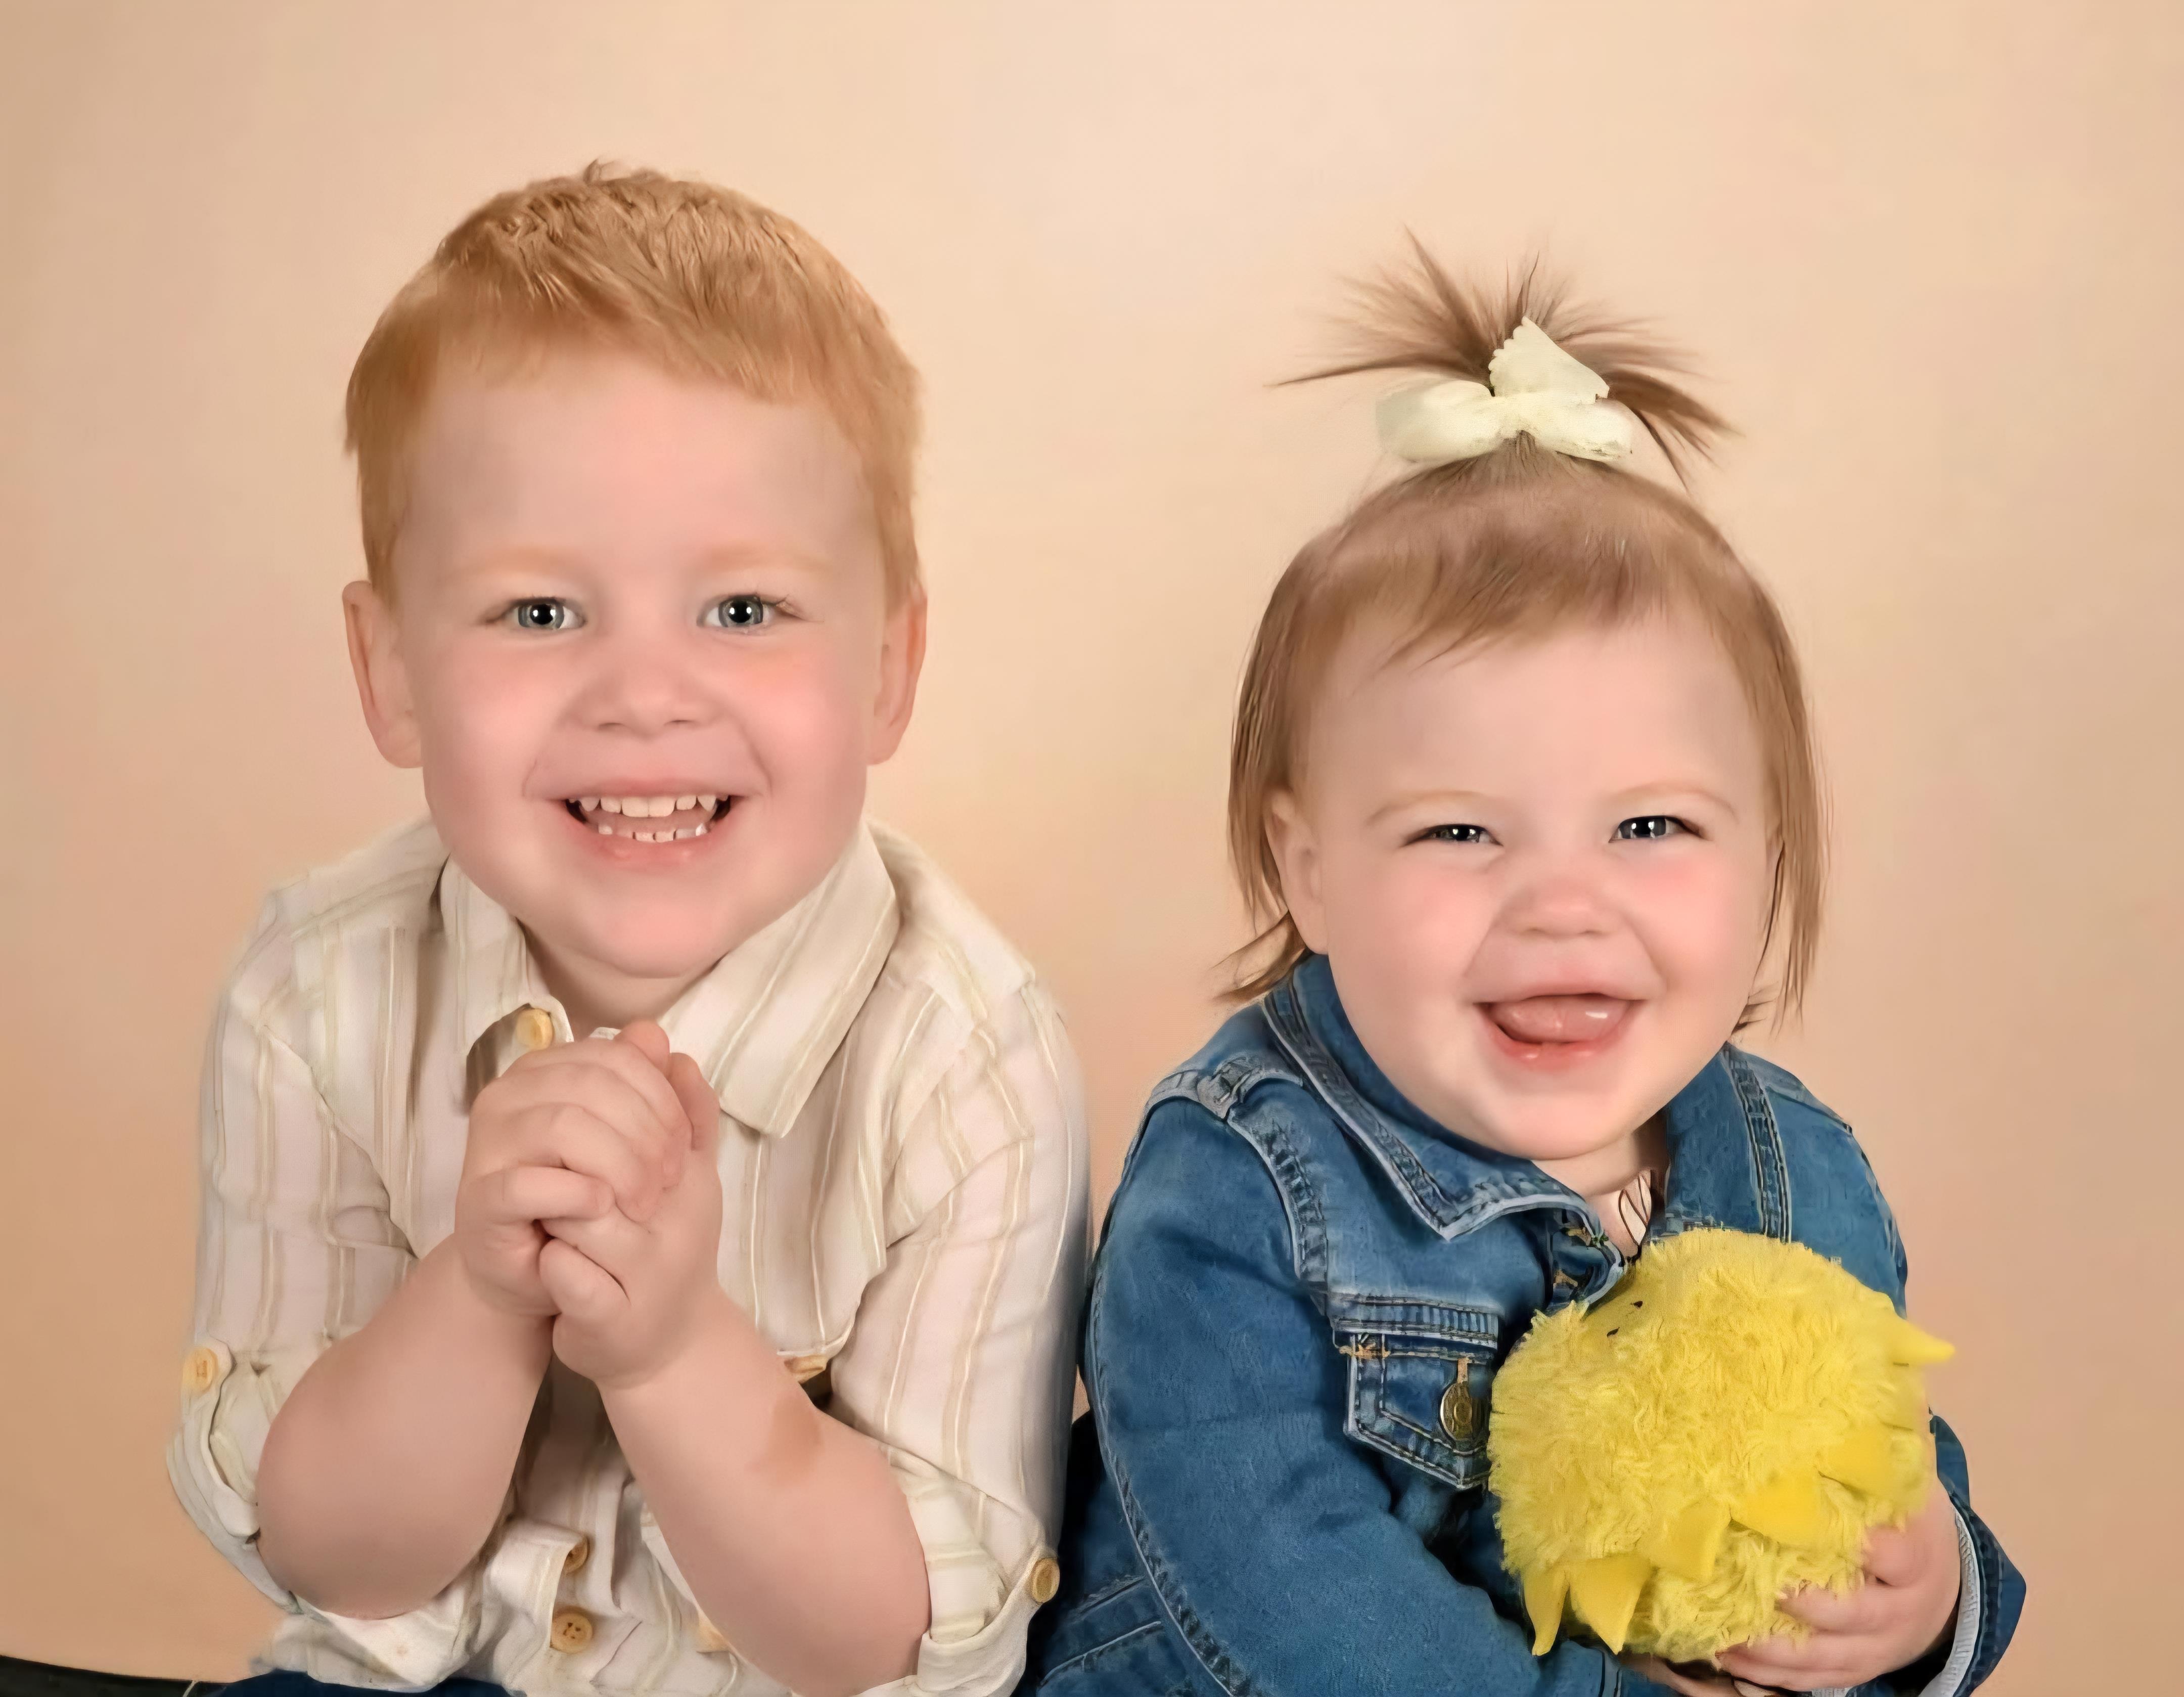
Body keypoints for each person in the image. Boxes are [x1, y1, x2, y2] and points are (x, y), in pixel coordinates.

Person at [1020, 253, 2021, 1695]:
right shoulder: (1237, 1185)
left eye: (1652, 826)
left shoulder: (1795, 1168)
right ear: (1306, 870)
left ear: (1768, 857)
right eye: (1461, 830)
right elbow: (1297, 1598)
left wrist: (1925, 1605)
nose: (1564, 906)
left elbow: (1876, 1456)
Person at [168, 164, 1087, 1697]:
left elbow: (900, 1641)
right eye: (540, 613)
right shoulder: (316, 992)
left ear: (888, 664)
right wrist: (473, 1291)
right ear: (391, 669)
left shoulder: (967, 1059)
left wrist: (669, 1353)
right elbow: (333, 1550)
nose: (646, 695)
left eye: (742, 610)